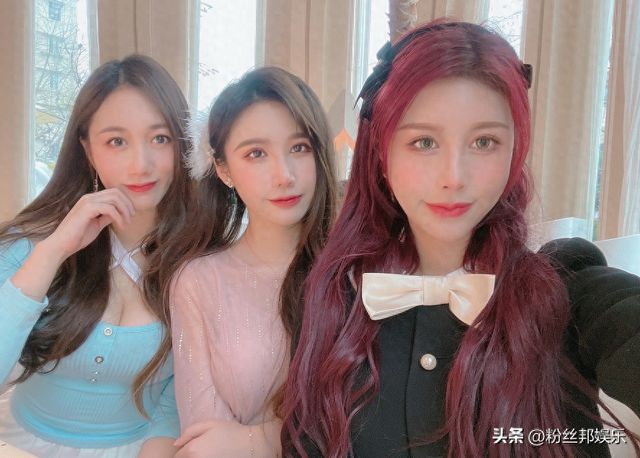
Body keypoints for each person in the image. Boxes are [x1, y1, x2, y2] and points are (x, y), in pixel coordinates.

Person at [281, 20, 640, 458]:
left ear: (515, 151)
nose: (454, 177)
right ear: (381, 153)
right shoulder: (331, 298)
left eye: (484, 142)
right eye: (424, 142)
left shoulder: (568, 291)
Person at [0, 54, 193, 457]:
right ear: (88, 151)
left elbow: (180, 393)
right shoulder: (31, 242)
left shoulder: (198, 255)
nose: (141, 165)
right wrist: (53, 251)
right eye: (117, 141)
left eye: (160, 138)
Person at [167, 66, 338, 457]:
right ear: (224, 170)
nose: (284, 175)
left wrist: (257, 440)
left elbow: (368, 419)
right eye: (256, 154)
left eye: (299, 147)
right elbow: (206, 441)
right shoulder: (197, 281)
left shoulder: (353, 271)